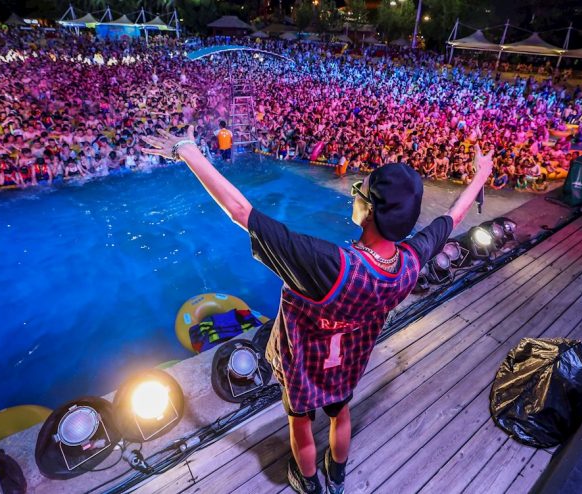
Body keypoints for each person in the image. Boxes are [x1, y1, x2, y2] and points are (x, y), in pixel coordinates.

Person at [143, 126, 495, 494]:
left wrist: (187, 150)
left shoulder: (326, 264)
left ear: (370, 211)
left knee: (300, 425)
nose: (355, 194)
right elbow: (451, 220)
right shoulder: (409, 262)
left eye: (360, 191)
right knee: (341, 415)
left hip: (304, 368)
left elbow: (240, 211)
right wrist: (481, 174)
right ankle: (337, 476)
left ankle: (308, 482)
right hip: (349, 365)